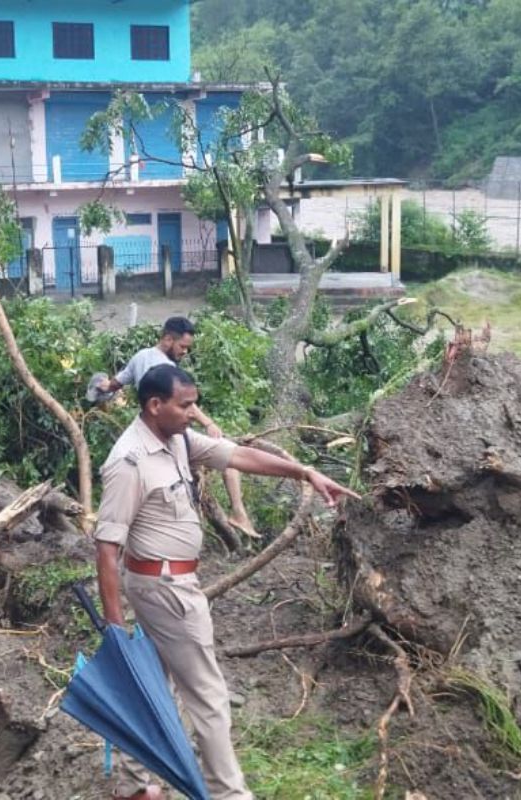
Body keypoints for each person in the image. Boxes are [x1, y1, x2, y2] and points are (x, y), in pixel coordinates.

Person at [95, 365, 359, 800]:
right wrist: (114, 628)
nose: (193, 412)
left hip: (166, 584)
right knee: (209, 697)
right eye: (185, 405)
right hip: (166, 591)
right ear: (155, 405)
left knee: (151, 684)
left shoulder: (176, 438)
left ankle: (134, 785)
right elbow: (106, 548)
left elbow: (237, 455)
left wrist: (305, 472)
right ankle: (229, 794)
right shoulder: (129, 461)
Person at [99, 316, 259, 538]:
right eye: (182, 346)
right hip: (171, 432)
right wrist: (208, 423)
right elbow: (186, 404)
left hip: (148, 429)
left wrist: (101, 386)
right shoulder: (165, 369)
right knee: (229, 457)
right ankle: (238, 512)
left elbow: (115, 383)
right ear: (167, 339)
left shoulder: (140, 356)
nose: (185, 352)